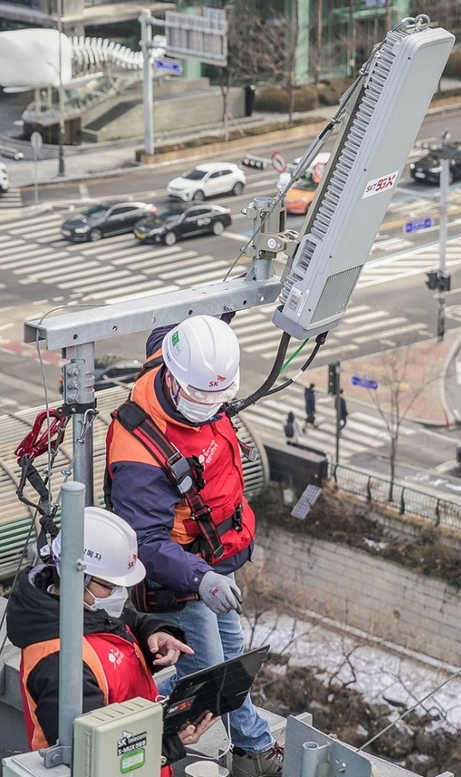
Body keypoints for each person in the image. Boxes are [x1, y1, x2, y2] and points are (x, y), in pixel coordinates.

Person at [105, 315, 284, 777]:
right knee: (205, 679)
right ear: (171, 374)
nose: (208, 405)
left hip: (211, 564)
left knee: (227, 666)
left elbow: (178, 327)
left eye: (217, 396)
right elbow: (143, 540)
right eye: (200, 394)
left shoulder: (183, 356)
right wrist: (200, 578)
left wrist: (215, 312)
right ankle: (236, 751)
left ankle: (251, 748)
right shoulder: (139, 451)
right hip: (182, 580)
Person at [5, 506, 218, 774]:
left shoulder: (86, 609)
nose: (117, 594)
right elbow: (90, 758)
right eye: (108, 586)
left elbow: (123, 624)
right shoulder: (60, 664)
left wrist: (155, 633)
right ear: (76, 576)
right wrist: (170, 745)